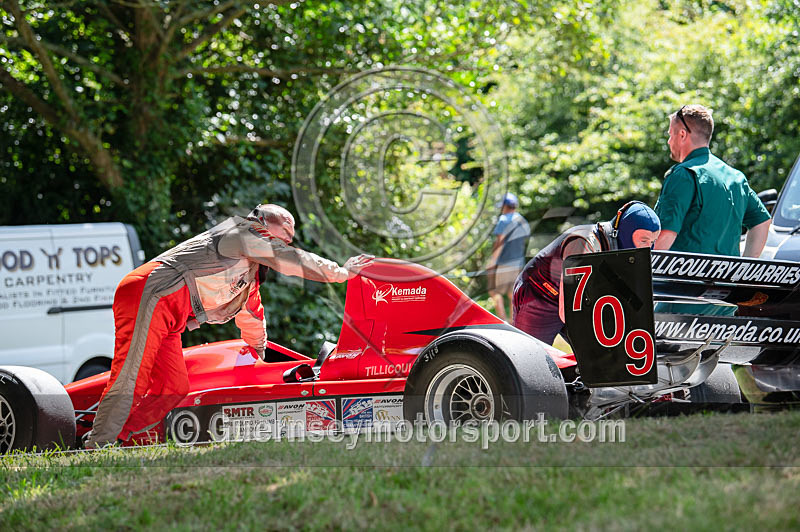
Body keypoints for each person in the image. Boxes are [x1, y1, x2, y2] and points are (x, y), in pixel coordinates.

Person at [85, 204, 373, 448]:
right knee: (133, 375)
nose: (285, 244)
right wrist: (343, 273)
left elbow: (254, 320)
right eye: (283, 236)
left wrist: (262, 361)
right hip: (150, 292)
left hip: (170, 313)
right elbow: (290, 260)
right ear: (263, 223)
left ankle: (125, 439)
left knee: (175, 386)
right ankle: (96, 444)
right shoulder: (241, 231)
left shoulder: (248, 276)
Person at [512, 201, 661, 345]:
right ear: (626, 233)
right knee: (532, 357)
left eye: (653, 241)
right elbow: (571, 311)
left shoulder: (621, 246)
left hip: (570, 300)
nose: (649, 248)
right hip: (539, 295)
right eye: (644, 240)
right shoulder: (584, 243)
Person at [654, 104, 771, 257]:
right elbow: (762, 222)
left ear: (682, 135)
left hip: (684, 279)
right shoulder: (736, 178)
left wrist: (646, 274)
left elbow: (665, 234)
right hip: (727, 279)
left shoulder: (683, 174)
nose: (669, 141)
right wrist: (743, 270)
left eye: (670, 135)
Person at [487, 192, 530, 321]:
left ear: (505, 206)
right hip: (519, 263)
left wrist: (493, 261)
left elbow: (500, 241)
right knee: (512, 293)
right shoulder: (521, 220)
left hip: (505, 263)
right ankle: (515, 321)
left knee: (494, 292)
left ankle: (503, 321)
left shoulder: (503, 220)